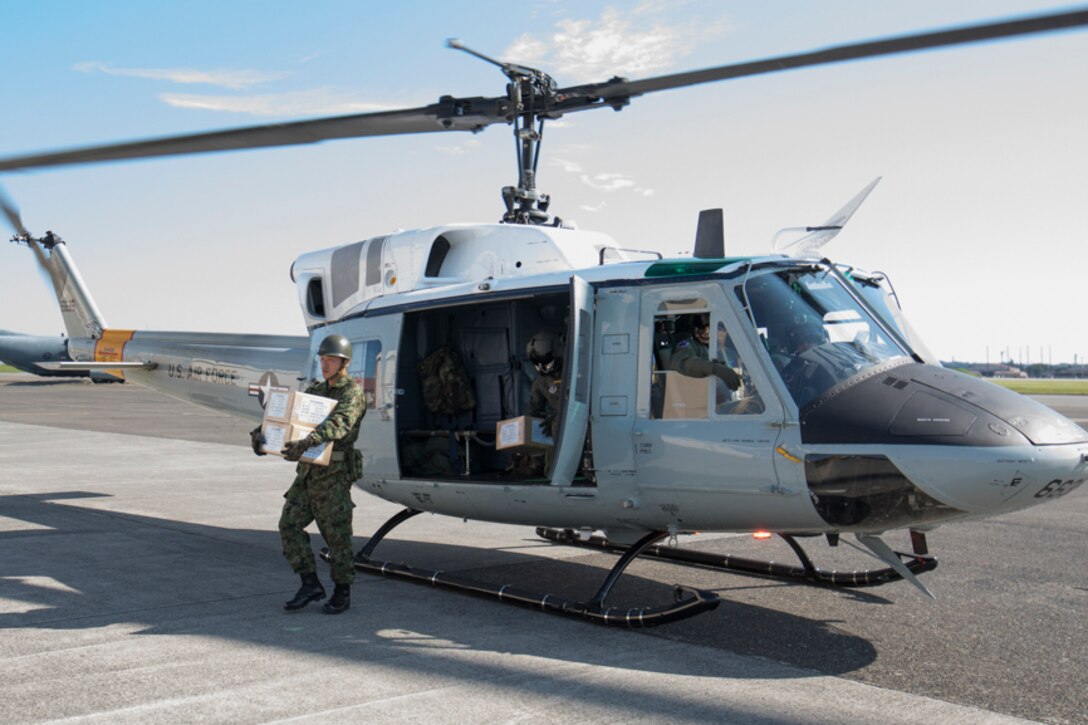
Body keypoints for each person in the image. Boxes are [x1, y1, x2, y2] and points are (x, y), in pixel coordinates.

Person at [249, 333, 365, 614]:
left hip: (334, 474)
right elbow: (291, 418)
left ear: (344, 363)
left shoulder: (352, 392)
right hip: (308, 472)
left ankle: (342, 590)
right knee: (288, 525)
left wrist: (309, 440)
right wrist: (263, 436)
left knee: (336, 535)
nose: (325, 365)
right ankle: (310, 583)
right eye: (323, 360)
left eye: (331, 360)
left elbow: (341, 424)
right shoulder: (316, 390)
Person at [670, 313, 742, 391]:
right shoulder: (690, 345)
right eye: (701, 327)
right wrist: (715, 368)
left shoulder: (718, 349)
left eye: (709, 326)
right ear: (693, 329)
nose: (706, 331)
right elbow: (680, 362)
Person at [526, 330, 563, 437]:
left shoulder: (574, 373)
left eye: (545, 360)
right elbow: (533, 410)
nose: (541, 366)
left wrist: (558, 418)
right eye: (536, 362)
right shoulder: (541, 382)